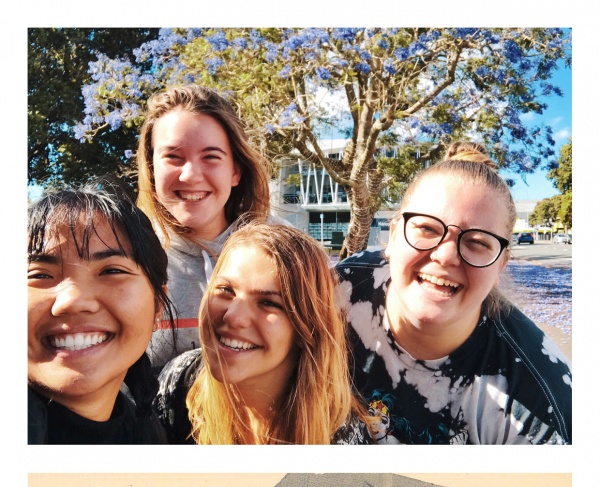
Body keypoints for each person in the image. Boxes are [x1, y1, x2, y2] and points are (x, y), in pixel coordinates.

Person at [336, 141, 572, 444]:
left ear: (500, 265)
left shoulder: (538, 403)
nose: (446, 256)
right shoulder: (340, 289)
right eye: (427, 229)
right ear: (394, 236)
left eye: (477, 241)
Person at [155, 222, 369, 444]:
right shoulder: (177, 382)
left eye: (269, 303)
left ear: (307, 327)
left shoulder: (340, 438)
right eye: (226, 290)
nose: (233, 316)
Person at [137, 84, 271, 369]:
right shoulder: (127, 259)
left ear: (235, 170)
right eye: (173, 157)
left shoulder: (282, 254)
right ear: (151, 168)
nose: (191, 175)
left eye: (211, 157)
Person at [28, 186, 174, 444]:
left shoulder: (149, 433)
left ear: (157, 307)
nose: (72, 301)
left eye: (111, 271)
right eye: (40, 275)